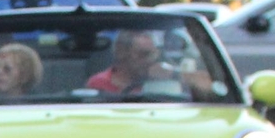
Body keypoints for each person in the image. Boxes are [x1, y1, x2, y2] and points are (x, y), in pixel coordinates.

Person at [84, 26, 213, 99]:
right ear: (122, 54)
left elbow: (212, 86)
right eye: (143, 54)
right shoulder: (99, 83)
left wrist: (175, 75)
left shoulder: (165, 79)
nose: (149, 61)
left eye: (153, 54)